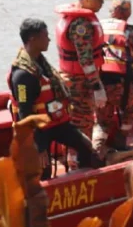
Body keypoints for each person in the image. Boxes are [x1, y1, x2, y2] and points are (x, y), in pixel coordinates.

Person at [7, 18, 101, 180]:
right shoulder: (22, 75)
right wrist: (37, 147)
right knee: (43, 169)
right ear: (33, 39)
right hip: (38, 131)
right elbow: (24, 113)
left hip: (57, 123)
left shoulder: (41, 63)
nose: (49, 39)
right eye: (45, 36)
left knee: (87, 148)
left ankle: (82, 182)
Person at [55, 0, 110, 166]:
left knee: (77, 119)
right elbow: (85, 59)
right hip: (79, 81)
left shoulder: (76, 18)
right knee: (82, 121)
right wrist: (97, 86)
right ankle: (77, 162)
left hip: (73, 78)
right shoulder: (82, 25)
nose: (102, 2)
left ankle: (73, 158)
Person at [92, 0, 133, 160]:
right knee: (129, 112)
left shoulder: (98, 28)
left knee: (101, 122)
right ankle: (121, 142)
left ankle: (96, 152)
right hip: (123, 87)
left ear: (112, 11)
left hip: (99, 85)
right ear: (128, 13)